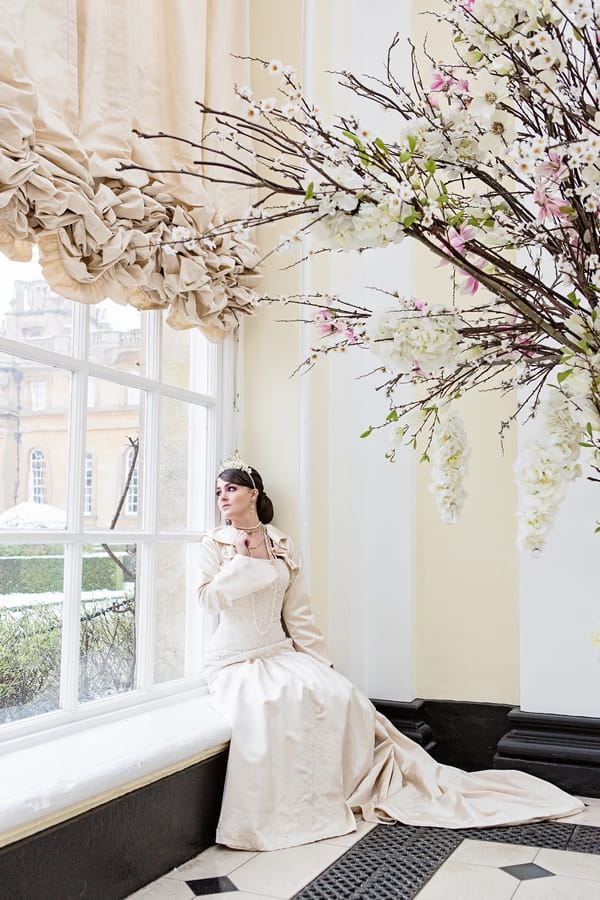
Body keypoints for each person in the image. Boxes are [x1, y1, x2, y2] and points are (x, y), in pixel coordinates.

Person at [197, 454, 584, 852]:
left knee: (340, 695)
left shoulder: (280, 542)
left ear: (253, 493)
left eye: (231, 488)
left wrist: (320, 661)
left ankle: (339, 789)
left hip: (278, 652)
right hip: (235, 658)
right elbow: (209, 600)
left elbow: (297, 611)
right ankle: (286, 811)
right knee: (271, 706)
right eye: (218, 491)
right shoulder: (215, 544)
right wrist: (242, 561)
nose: (222, 497)